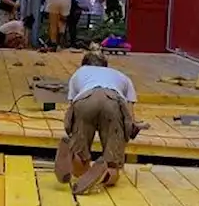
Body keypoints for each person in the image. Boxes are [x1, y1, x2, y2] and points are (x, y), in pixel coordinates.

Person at [54, 51, 139, 194]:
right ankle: (105, 171)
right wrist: (129, 131)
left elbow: (72, 106)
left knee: (80, 156)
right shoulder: (122, 76)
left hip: (85, 99)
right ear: (106, 66)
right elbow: (130, 114)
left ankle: (72, 154)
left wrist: (69, 128)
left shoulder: (79, 73)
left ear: (84, 64)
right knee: (113, 164)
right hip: (112, 101)